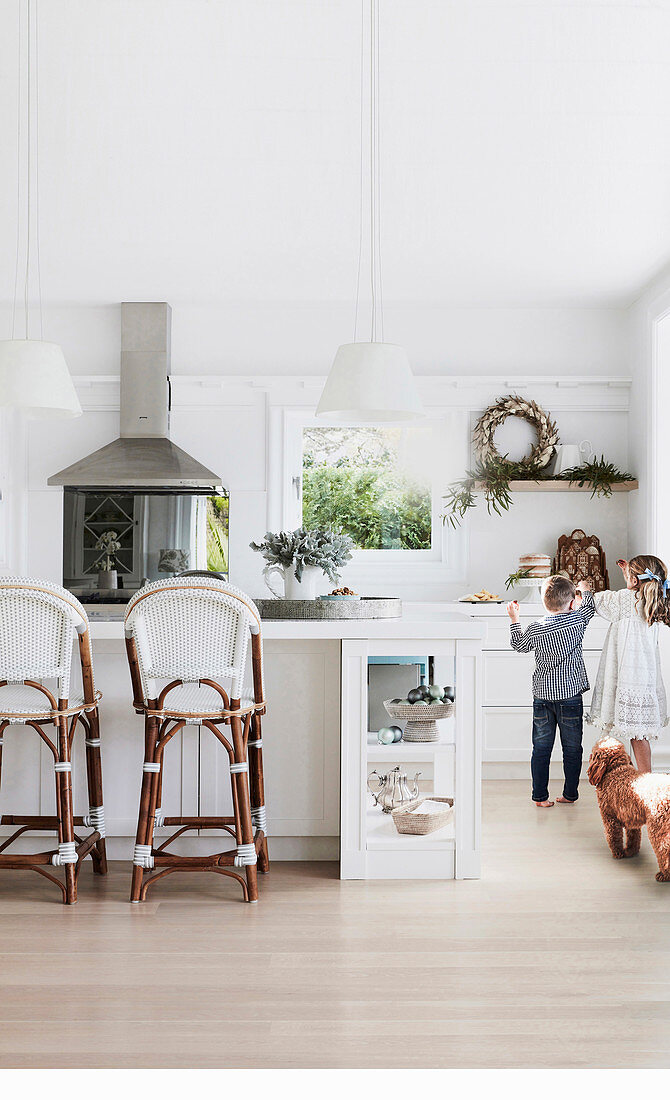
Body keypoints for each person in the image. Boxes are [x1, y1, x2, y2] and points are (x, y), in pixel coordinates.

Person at [507, 575, 594, 807]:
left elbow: (519, 645)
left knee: (541, 748)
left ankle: (540, 797)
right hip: (570, 697)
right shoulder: (577, 620)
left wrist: (514, 619)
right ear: (571, 602)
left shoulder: (536, 627)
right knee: (572, 748)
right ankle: (570, 794)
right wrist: (584, 589)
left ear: (544, 603)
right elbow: (589, 607)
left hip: (542, 697)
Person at [588, 555, 669, 772]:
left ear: (634, 580)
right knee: (639, 734)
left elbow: (595, 601)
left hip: (625, 676)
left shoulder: (624, 599)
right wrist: (630, 579)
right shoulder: (656, 600)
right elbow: (634, 595)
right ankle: (645, 779)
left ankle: (642, 785)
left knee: (631, 735)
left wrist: (585, 589)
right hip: (645, 678)